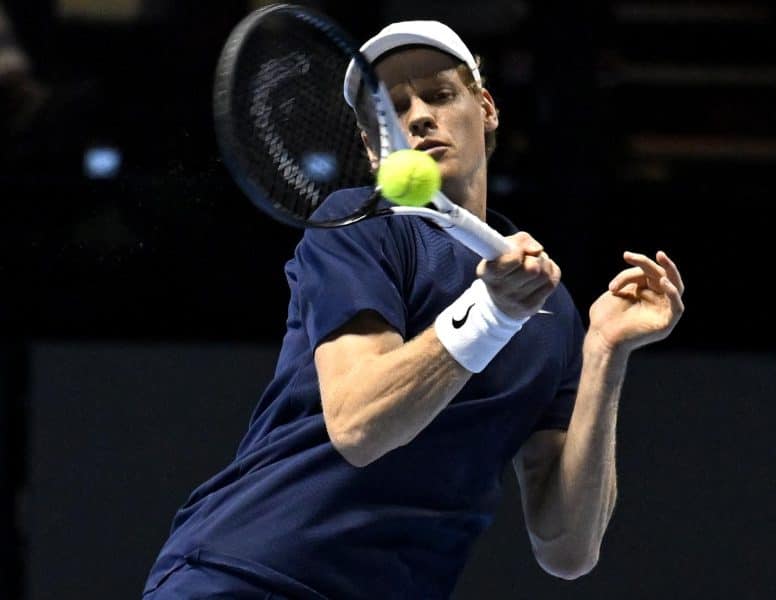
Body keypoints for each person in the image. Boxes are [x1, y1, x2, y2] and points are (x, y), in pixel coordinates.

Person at [144, 20, 684, 599]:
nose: (419, 116)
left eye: (440, 94)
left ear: (487, 108)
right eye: (393, 109)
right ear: (374, 150)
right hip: (250, 576)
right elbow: (359, 425)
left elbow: (567, 549)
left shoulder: (553, 311)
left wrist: (605, 352)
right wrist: (492, 314)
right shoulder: (359, 226)